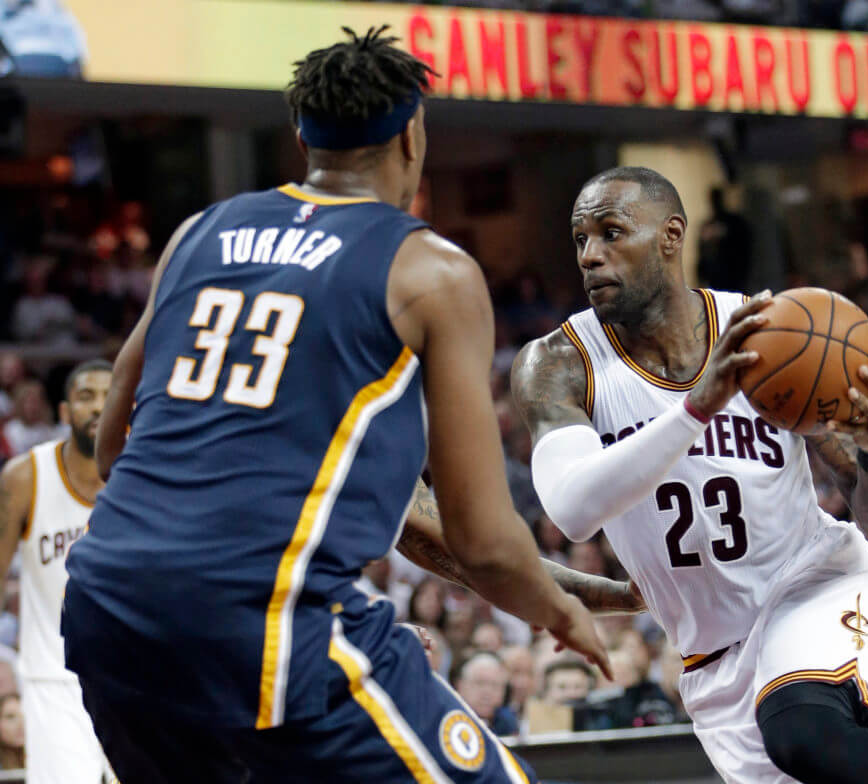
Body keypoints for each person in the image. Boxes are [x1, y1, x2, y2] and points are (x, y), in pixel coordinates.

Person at [61, 27, 612, 783]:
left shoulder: (198, 233)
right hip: (259, 614)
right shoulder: (432, 271)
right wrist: (557, 610)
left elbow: (115, 446)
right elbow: (484, 540)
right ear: (413, 135)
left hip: (107, 606)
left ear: (301, 136)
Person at [509, 166, 868, 783]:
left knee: (803, 729)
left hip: (813, 584)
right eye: (580, 240)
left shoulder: (770, 335)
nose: (590, 256)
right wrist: (697, 405)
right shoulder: (559, 364)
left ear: (671, 237)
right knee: (805, 744)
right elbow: (571, 510)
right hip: (711, 655)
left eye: (612, 233)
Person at [0, 359, 112, 784]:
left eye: (108, 395)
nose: (99, 407)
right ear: (64, 413)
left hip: (133, 675)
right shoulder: (25, 476)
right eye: (86, 397)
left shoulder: (142, 476)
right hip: (53, 678)